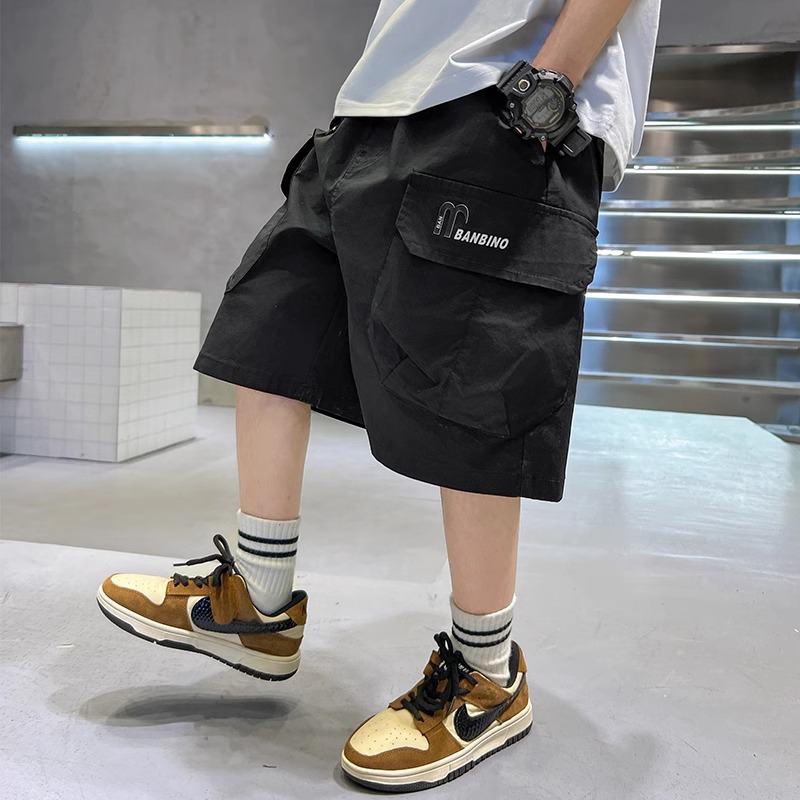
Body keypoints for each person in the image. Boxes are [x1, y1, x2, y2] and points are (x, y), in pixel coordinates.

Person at [96, 0, 662, 792]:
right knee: (270, 329)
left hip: (501, 100)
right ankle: (258, 603)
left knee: (477, 390)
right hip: (374, 107)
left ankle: (486, 674)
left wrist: (551, 82)